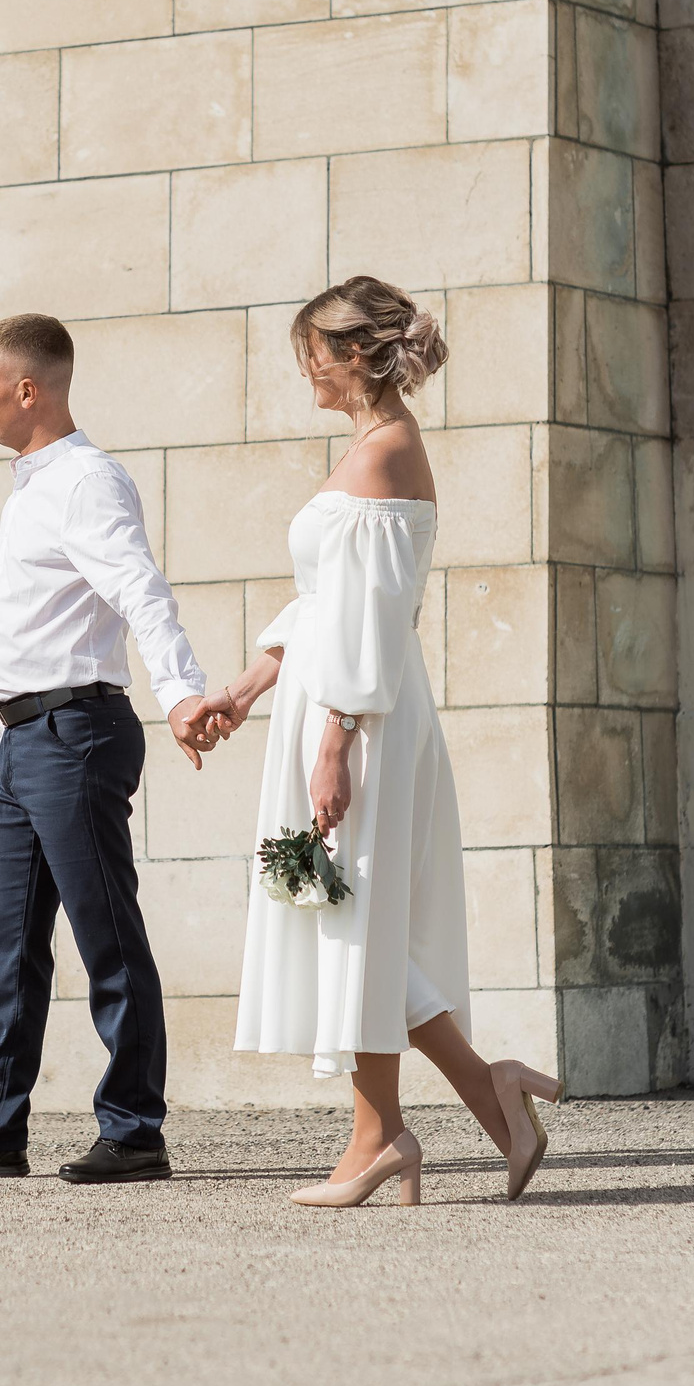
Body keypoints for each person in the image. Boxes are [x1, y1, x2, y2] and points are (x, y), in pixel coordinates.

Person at [200, 278, 563, 1206]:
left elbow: (379, 618)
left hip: (360, 719)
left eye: (313, 353)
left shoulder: (387, 455)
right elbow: (326, 608)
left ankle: (387, 1136)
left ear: (356, 352)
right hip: (335, 708)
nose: (307, 370)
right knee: (349, 918)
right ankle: (483, 1100)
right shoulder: (369, 450)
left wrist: (335, 743)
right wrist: (246, 688)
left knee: (354, 916)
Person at [0, 313, 224, 1185]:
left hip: (78, 735)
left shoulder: (85, 482)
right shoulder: (30, 486)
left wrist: (183, 691)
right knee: (11, 946)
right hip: (31, 737)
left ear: (27, 389)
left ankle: (135, 1128)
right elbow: (38, 634)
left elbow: (141, 593)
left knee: (107, 937)